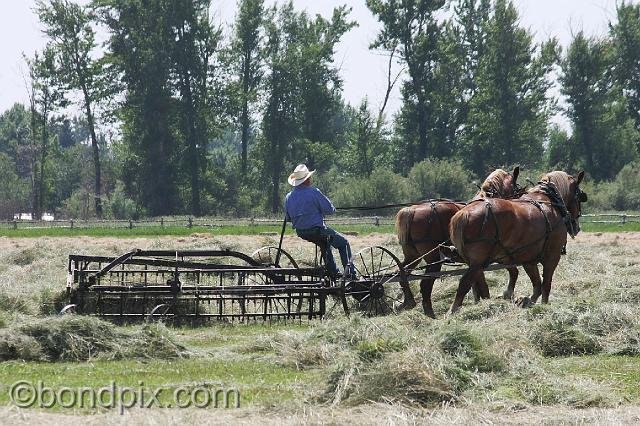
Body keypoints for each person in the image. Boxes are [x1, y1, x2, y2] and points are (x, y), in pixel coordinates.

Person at [284, 164, 354, 278]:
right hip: (317, 230)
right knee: (343, 243)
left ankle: (333, 272)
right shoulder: (314, 192)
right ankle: (351, 275)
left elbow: (288, 218)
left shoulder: (288, 197)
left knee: (325, 245)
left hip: (301, 232)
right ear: (307, 179)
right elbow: (330, 209)